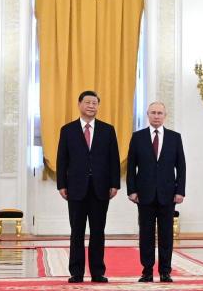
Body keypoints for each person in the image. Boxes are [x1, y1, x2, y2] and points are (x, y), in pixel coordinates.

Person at [56, 90, 120, 283]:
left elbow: (114, 160)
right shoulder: (67, 130)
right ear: (79, 104)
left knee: (98, 231)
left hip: (101, 188)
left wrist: (114, 183)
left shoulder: (108, 130)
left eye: (95, 103)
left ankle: (98, 272)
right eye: (88, 102)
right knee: (76, 231)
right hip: (75, 188)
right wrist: (61, 184)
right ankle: (76, 272)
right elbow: (62, 159)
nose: (92, 106)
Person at [127, 101, 185, 283]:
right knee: (146, 234)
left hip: (168, 195)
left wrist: (180, 191)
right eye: (153, 113)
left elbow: (181, 166)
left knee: (166, 235)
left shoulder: (175, 137)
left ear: (165, 116)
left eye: (160, 113)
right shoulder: (138, 137)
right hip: (144, 195)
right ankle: (147, 271)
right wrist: (132, 190)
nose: (157, 116)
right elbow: (131, 167)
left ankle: (166, 271)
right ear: (148, 115)